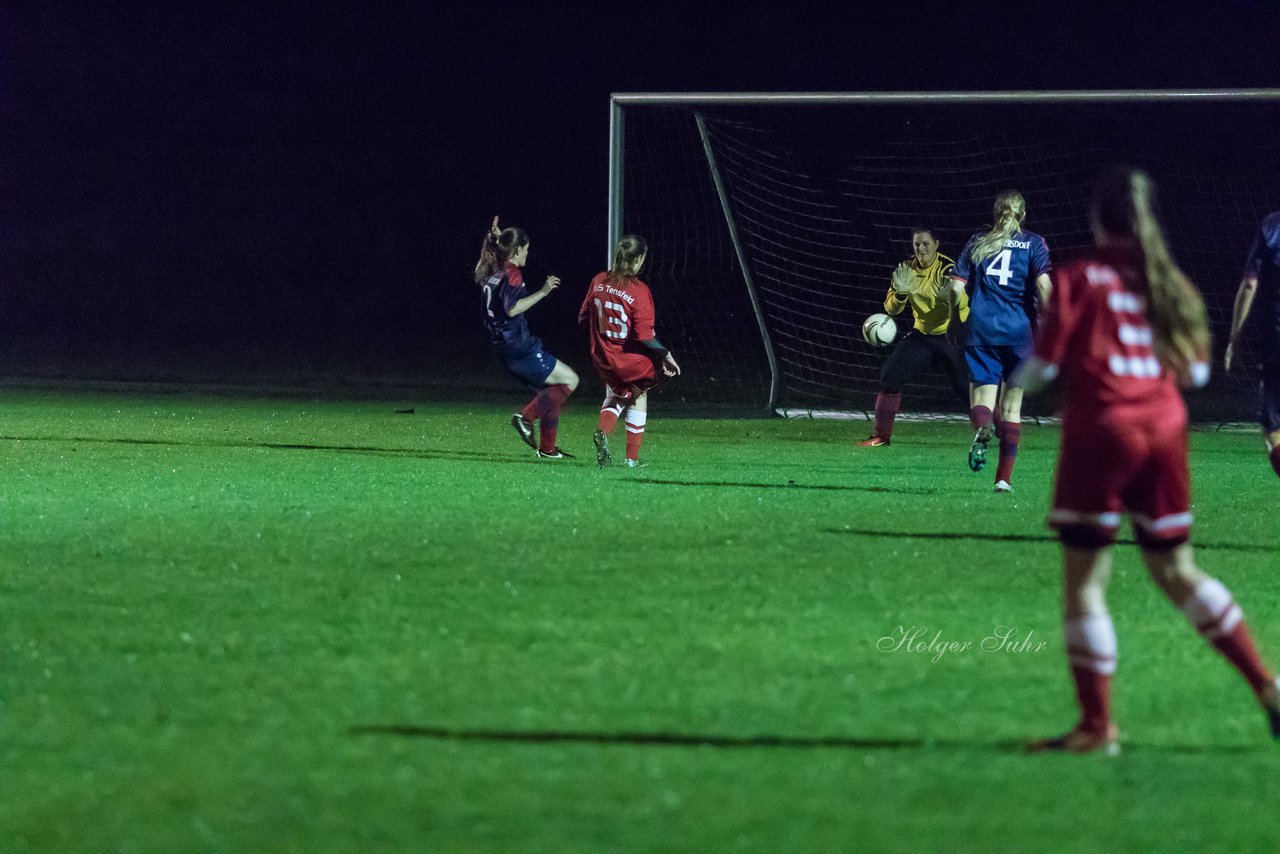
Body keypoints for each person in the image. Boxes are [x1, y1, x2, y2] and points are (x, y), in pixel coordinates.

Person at [1013, 166, 1280, 754]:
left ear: (1096, 218)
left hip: (1104, 429)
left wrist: (1026, 375)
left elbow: (1043, 369)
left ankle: (1096, 727)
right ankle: (1268, 685)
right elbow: (1200, 373)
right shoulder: (1172, 282)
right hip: (1164, 428)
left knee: (1085, 584)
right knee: (1176, 570)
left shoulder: (1080, 277)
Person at [949, 191, 1052, 492]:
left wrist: (957, 320)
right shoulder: (1034, 243)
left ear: (996, 213)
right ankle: (1003, 480)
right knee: (1012, 410)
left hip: (982, 330)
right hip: (1020, 334)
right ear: (1022, 214)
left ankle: (983, 427)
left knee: (981, 404)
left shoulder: (978, 242)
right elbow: (1044, 288)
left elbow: (955, 289)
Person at [474, 216, 579, 459]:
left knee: (550, 391)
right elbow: (512, 308)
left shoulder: (495, 268)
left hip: (503, 346)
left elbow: (500, 252)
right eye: (526, 249)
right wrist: (543, 292)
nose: (527, 254)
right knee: (570, 380)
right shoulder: (513, 274)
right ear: (517, 250)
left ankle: (548, 449)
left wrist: (499, 238)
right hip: (518, 345)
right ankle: (525, 418)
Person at [857, 228, 969, 447]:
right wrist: (900, 292)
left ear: (936, 245)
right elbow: (891, 309)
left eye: (926, 244)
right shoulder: (906, 269)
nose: (921, 249)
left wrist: (949, 299)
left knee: (968, 388)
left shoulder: (948, 269)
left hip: (954, 333)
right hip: (923, 335)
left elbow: (964, 304)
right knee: (890, 376)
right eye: (917, 244)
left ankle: (1001, 431)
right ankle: (881, 437)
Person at [577, 234, 680, 467]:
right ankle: (632, 460)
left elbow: (583, 316)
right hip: (628, 360)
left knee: (616, 394)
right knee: (638, 394)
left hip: (602, 356)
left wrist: (601, 339)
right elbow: (644, 335)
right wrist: (666, 354)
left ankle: (604, 431)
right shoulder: (639, 290)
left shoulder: (599, 280)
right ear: (639, 259)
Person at [1224, 209, 1280, 479]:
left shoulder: (1271, 227)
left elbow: (1249, 284)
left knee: (1274, 426)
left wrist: (1235, 341)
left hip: (1276, 341)